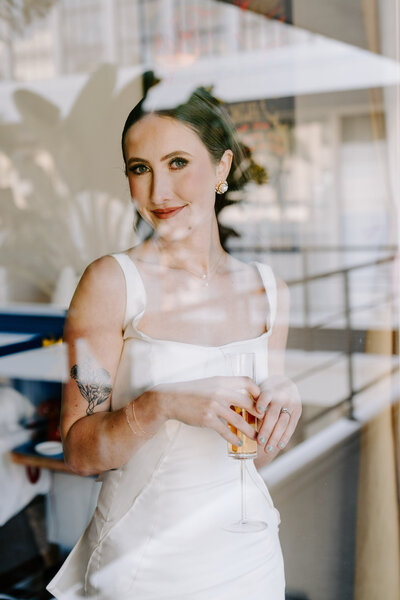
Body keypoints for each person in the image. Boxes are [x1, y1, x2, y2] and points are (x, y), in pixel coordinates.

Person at [47, 87, 301, 599]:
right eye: (139, 169)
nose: (159, 190)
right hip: (145, 566)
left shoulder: (269, 290)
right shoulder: (111, 282)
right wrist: (159, 404)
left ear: (222, 166)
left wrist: (281, 411)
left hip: (249, 560)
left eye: (178, 162)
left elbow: (252, 459)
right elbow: (79, 452)